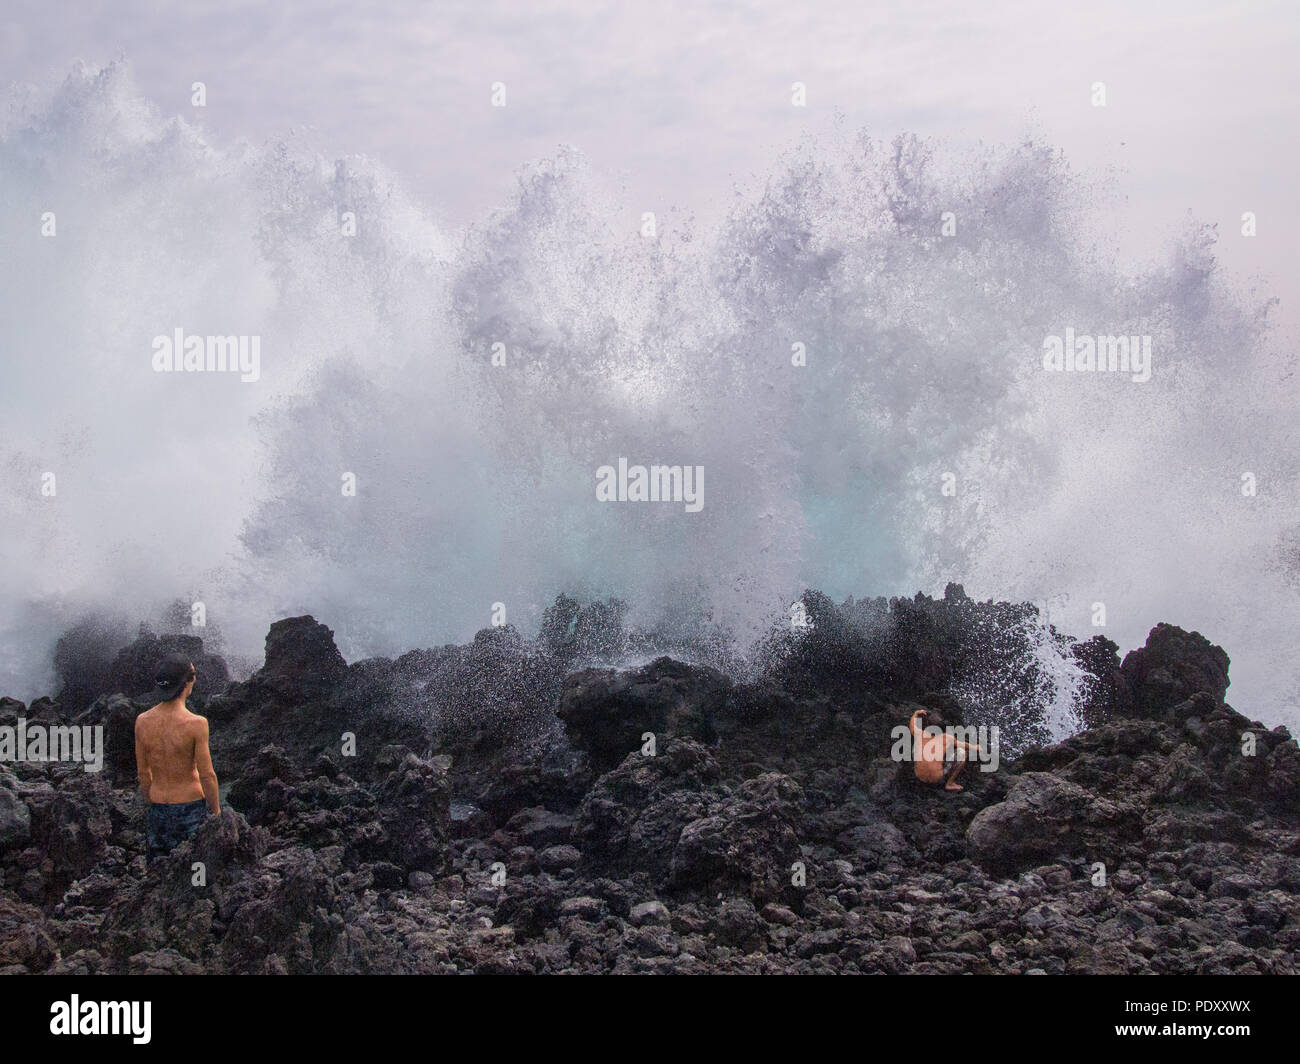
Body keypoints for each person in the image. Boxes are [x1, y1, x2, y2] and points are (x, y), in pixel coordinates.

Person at [135, 655, 220, 859]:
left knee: (158, 871)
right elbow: (207, 775)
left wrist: (153, 803)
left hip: (158, 809)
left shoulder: (142, 721)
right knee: (194, 869)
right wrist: (216, 813)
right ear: (187, 682)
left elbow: (143, 773)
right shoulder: (196, 724)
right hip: (190, 809)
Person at [908, 708, 981, 792]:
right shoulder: (947, 738)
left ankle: (922, 765)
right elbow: (963, 745)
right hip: (936, 779)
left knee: (916, 745)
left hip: (920, 776)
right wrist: (975, 747)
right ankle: (949, 783)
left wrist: (916, 713)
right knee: (962, 753)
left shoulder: (919, 734)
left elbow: (912, 725)